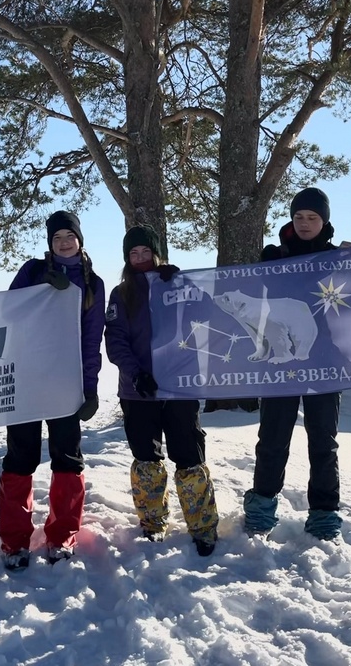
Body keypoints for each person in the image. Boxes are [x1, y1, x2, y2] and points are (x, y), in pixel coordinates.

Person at [243, 187, 351, 541]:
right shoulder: (275, 258)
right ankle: (261, 509)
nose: (305, 223)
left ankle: (323, 514)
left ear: (325, 221)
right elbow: (249, 299)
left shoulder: (339, 262)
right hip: (281, 365)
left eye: (313, 217)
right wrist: (267, 265)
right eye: (299, 217)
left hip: (325, 365)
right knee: (272, 439)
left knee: (323, 442)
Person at [0, 210, 105, 570]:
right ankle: (14, 542)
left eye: (69, 237)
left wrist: (89, 387)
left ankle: (61, 535)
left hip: (65, 381)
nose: (64, 243)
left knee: (67, 459)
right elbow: (7, 312)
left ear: (79, 240)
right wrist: (42, 284)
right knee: (20, 458)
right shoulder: (31, 270)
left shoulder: (93, 283)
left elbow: (91, 339)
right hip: (26, 377)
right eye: (57, 237)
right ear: (49, 243)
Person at [104, 225, 219, 556]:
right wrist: (135, 373)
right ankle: (153, 523)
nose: (140, 259)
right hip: (139, 391)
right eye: (133, 254)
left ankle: (203, 526)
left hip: (180, 387)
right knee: (146, 458)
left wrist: (186, 284)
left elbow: (210, 311)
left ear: (157, 254)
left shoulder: (179, 285)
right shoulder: (121, 293)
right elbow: (115, 339)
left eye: (145, 252)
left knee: (190, 456)